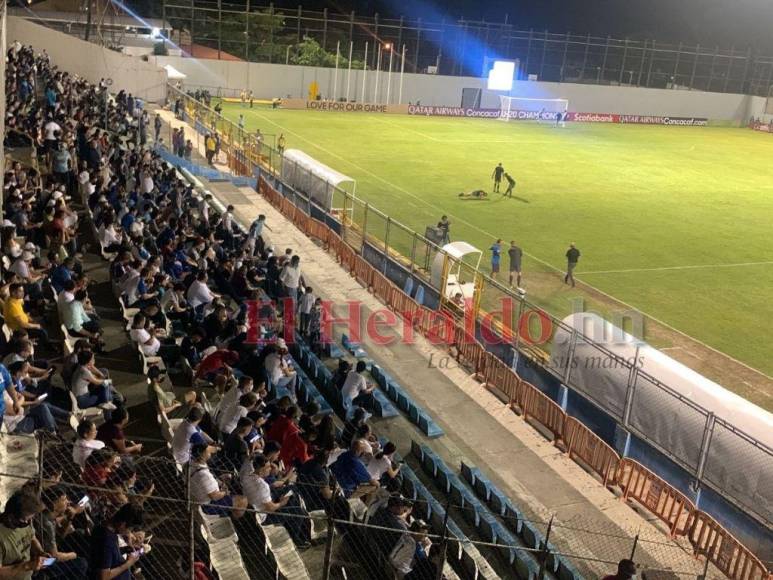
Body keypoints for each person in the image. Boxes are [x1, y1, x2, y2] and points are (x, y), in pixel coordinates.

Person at [37, 486, 88, 577]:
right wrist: (72, 555)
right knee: (81, 563)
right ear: (54, 504)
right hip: (43, 563)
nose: (68, 502)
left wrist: (70, 517)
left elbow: (60, 537)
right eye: (64, 500)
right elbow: (54, 556)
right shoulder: (47, 523)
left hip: (47, 553)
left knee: (77, 535)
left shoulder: (49, 517)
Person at [189, 443, 248, 519]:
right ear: (202, 454)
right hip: (207, 506)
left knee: (233, 493)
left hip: (199, 497)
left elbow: (206, 484)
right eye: (208, 450)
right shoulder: (203, 475)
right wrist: (225, 493)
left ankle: (228, 514)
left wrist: (219, 480)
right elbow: (214, 496)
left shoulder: (193, 463)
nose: (210, 451)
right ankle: (229, 519)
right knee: (243, 501)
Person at [89, 503, 144, 580]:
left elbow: (108, 556)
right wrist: (129, 563)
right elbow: (104, 576)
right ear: (123, 524)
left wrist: (125, 549)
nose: (129, 532)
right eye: (130, 529)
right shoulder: (106, 539)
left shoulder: (105, 530)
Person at [0, 491, 45, 578]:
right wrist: (27, 566)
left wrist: (40, 552)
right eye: (25, 520)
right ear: (11, 517)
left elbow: (32, 538)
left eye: (30, 519)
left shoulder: (26, 522)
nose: (28, 523)